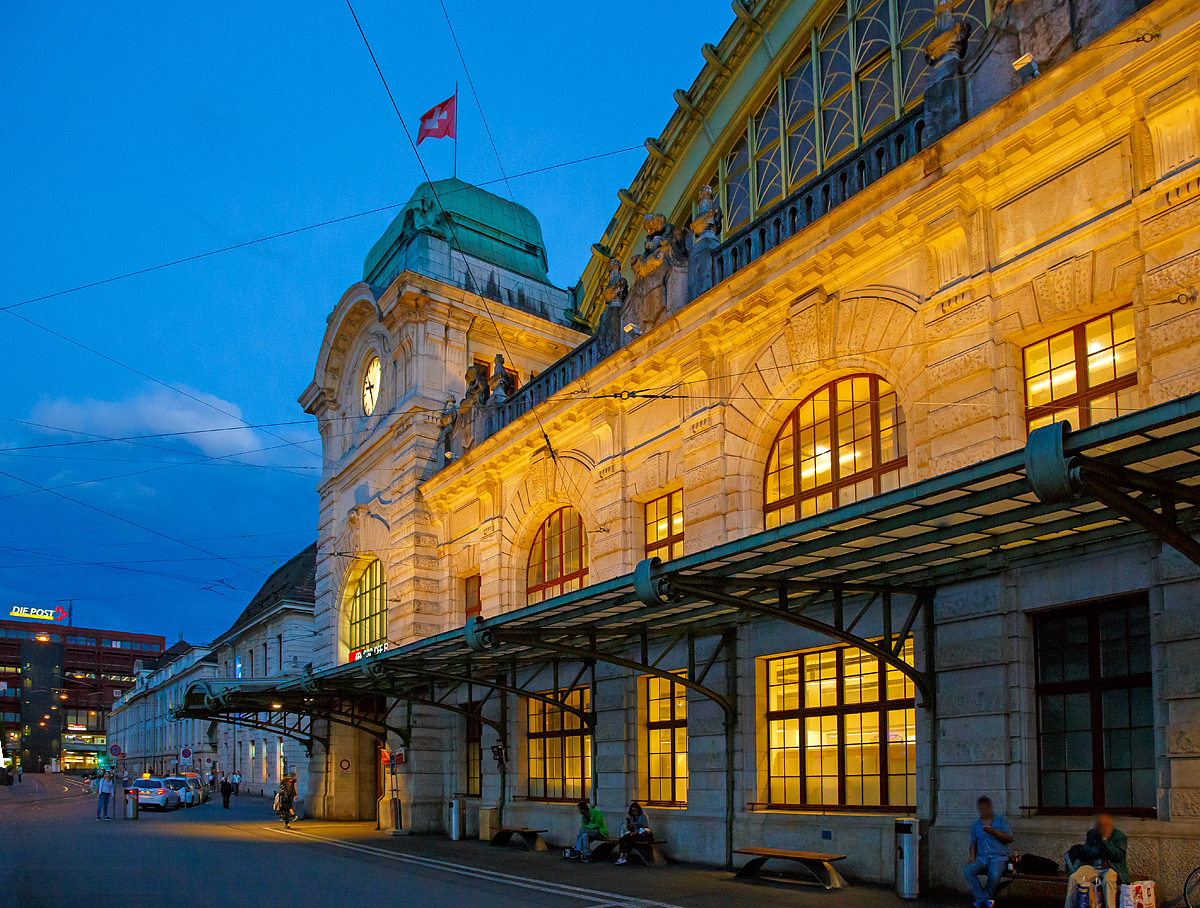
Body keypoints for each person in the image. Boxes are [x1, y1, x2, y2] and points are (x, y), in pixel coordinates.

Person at [1064, 814, 1128, 908]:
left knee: (1109, 879)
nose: (1101, 828)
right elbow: (1087, 853)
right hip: (1093, 866)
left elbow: (1117, 857)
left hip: (1111, 867)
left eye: (1104, 825)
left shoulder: (1119, 837)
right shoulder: (1092, 834)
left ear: (1110, 825)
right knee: (1074, 877)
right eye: (1099, 825)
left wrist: (1105, 841)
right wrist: (1102, 850)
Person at [963, 795, 1013, 908]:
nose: (984, 811)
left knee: (994, 874)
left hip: (998, 857)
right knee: (968, 871)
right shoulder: (976, 824)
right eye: (981, 809)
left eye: (986, 808)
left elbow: (1010, 838)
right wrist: (972, 856)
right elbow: (973, 843)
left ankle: (981, 901)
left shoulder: (1001, 820)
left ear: (990, 807)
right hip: (982, 857)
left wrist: (995, 832)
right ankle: (985, 900)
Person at [616, 801, 652, 865]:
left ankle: (626, 856)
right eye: (632, 811)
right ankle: (621, 856)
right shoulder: (632, 817)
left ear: (638, 809)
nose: (634, 812)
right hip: (633, 833)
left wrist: (635, 832)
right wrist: (629, 826)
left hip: (641, 834)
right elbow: (632, 828)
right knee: (622, 839)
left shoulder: (643, 816)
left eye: (635, 810)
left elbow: (645, 828)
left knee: (630, 840)